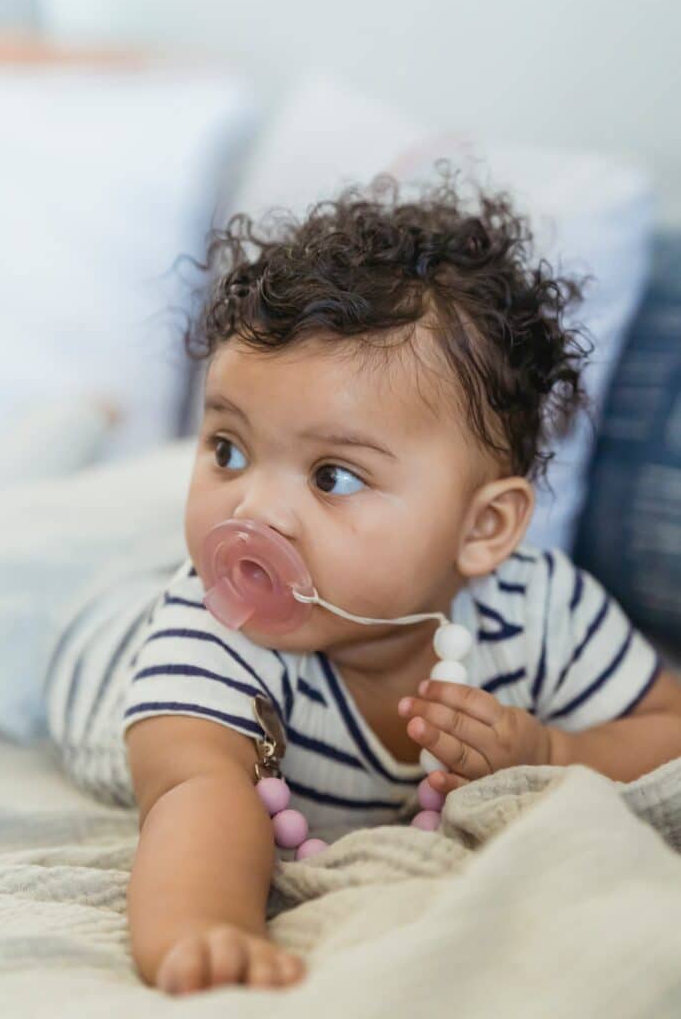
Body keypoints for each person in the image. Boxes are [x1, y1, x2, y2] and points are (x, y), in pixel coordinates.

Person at [45, 169, 681, 996]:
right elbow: (198, 795)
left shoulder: (539, 608)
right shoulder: (216, 627)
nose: (254, 510)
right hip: (89, 646)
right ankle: (65, 436)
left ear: (484, 528)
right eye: (228, 450)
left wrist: (555, 750)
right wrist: (204, 930)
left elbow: (666, 722)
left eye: (333, 475)